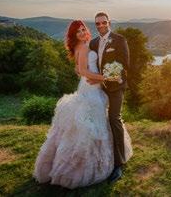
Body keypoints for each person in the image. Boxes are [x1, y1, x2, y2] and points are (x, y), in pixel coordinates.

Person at [33, 20, 132, 189]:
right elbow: (84, 71)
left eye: (82, 29)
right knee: (92, 123)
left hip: (90, 85)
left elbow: (78, 70)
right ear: (73, 35)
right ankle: (87, 164)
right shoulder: (85, 46)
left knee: (96, 122)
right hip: (91, 89)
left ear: (86, 30)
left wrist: (94, 77)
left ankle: (103, 159)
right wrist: (105, 78)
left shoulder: (86, 44)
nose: (81, 32)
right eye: (77, 31)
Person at [87, 11, 130, 183]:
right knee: (96, 120)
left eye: (103, 22)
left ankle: (118, 164)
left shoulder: (119, 40)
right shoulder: (93, 42)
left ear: (109, 22)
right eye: (97, 24)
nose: (101, 26)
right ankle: (98, 157)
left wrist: (108, 77)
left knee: (114, 119)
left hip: (115, 87)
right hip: (97, 88)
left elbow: (124, 65)